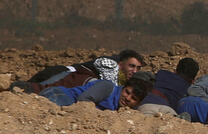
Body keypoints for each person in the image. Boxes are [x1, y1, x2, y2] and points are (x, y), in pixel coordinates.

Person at [12, 49, 145, 93]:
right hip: (63, 74)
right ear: (121, 64)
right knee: (31, 89)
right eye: (131, 66)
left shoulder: (120, 76)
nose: (135, 71)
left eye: (138, 68)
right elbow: (110, 87)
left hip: (68, 78)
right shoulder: (111, 65)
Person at [40, 76, 149, 111]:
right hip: (60, 97)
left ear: (137, 103)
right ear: (122, 88)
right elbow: (83, 100)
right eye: (127, 92)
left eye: (133, 98)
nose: (128, 98)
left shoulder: (118, 107)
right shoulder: (108, 87)